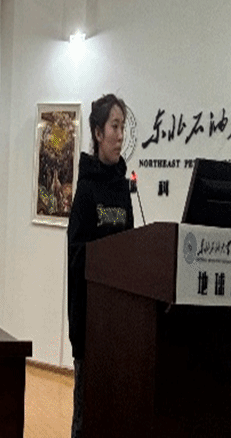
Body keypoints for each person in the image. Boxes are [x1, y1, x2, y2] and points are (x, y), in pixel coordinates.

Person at [66, 93, 135, 438]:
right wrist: (108, 258)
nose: (120, 136)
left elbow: (132, 244)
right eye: (114, 127)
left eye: (123, 128)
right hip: (91, 322)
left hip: (120, 322)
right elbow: (77, 254)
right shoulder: (86, 190)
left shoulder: (123, 188)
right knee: (86, 418)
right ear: (97, 133)